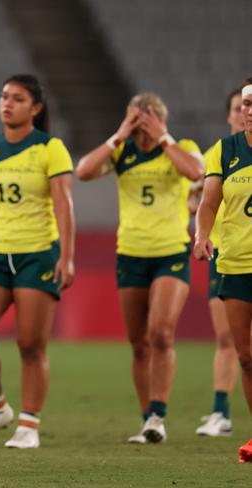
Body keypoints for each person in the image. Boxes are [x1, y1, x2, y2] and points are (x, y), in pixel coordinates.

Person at [0, 74, 75, 449]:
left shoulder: (50, 148)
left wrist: (67, 257)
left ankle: (28, 424)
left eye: (18, 99)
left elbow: (63, 205)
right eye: (4, 96)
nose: (7, 104)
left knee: (30, 345)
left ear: (35, 108)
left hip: (37, 253)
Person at [76, 93, 203, 443]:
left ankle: (159, 416)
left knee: (161, 333)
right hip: (130, 254)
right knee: (138, 344)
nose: (141, 132)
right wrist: (118, 134)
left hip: (170, 252)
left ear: (160, 121)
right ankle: (147, 418)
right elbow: (83, 171)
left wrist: (163, 137)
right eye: (136, 124)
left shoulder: (181, 147)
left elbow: (196, 172)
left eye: (146, 123)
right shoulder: (122, 151)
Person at [194, 77, 252, 463]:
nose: (248, 109)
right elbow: (210, 201)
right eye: (245, 103)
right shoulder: (224, 150)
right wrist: (201, 234)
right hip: (235, 263)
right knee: (246, 356)